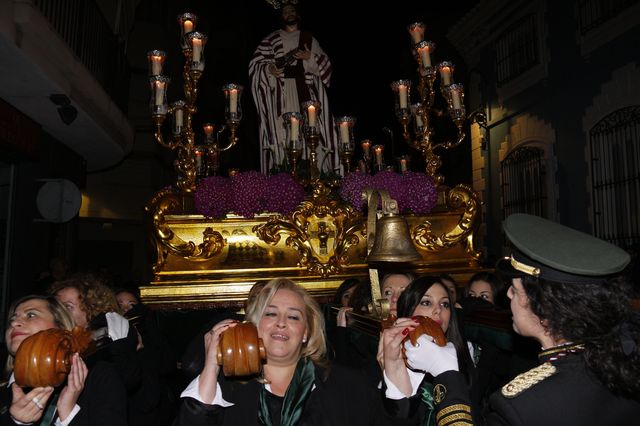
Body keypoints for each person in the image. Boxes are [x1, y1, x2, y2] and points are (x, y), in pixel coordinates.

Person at [399, 214, 640, 425]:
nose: (508, 295)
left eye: (515, 288)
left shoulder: (524, 405)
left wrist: (446, 373)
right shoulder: (620, 361)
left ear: (542, 305)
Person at [174, 277, 393, 425]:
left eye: (293, 316)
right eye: (270, 314)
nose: (281, 323)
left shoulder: (347, 385)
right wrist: (211, 367)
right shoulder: (225, 388)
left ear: (306, 332)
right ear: (254, 326)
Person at [1, 295, 127, 425]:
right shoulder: (3, 389)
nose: (14, 323)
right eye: (12, 319)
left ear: (60, 328)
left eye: (31, 315)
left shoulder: (98, 377)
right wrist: (17, 422)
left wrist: (68, 415)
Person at [249, 3, 339, 174]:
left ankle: (314, 178)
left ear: (298, 14)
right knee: (283, 135)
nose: (289, 14)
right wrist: (270, 69)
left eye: (292, 11)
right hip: (281, 96)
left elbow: (326, 67)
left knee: (312, 134)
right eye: (285, 12)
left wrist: (309, 57)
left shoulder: (309, 39)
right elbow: (255, 65)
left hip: (306, 94)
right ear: (281, 17)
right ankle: (283, 177)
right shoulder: (271, 40)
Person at [380, 276, 477, 425]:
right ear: (409, 310)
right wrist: (395, 372)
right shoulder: (392, 356)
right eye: (426, 302)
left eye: (445, 304)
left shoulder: (465, 355)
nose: (438, 310)